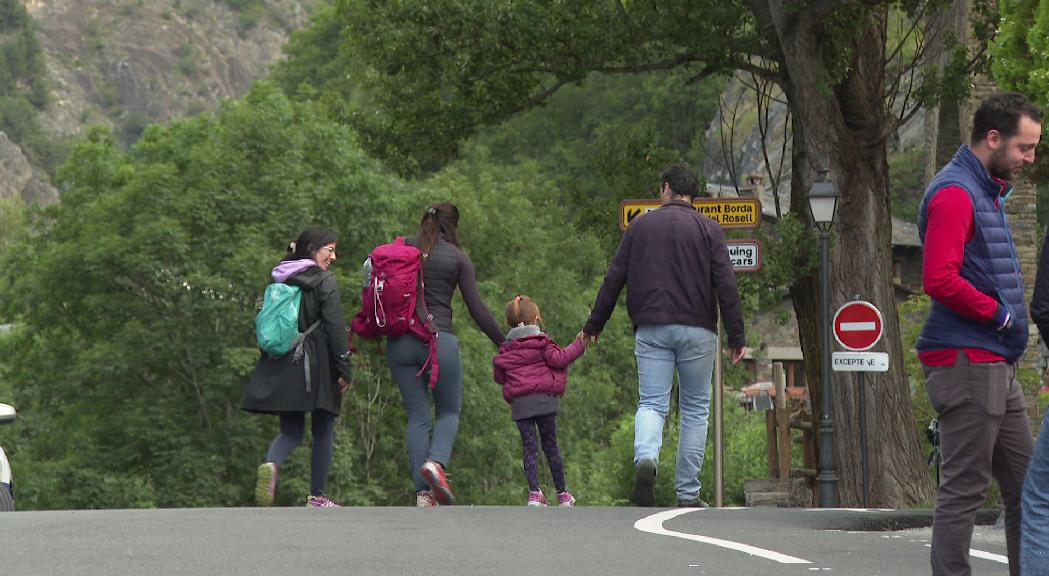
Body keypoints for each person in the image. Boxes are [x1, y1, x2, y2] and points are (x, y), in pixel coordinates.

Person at [916, 91, 1041, 576]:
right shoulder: (955, 194)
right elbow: (938, 278)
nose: (1029, 159)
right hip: (969, 361)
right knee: (965, 488)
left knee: (1028, 490)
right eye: (1023, 148)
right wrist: (1002, 317)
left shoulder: (982, 189)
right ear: (993, 138)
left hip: (994, 363)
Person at [579, 165, 746, 507]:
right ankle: (687, 493)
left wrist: (594, 324)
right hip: (698, 329)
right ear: (692, 196)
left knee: (652, 402)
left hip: (652, 326)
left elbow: (614, 279)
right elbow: (726, 285)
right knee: (696, 408)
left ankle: (646, 457)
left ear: (666, 188)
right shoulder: (709, 230)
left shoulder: (640, 226)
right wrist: (736, 336)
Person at [388, 202, 504, 507]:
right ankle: (436, 463)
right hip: (439, 341)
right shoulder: (457, 258)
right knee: (449, 411)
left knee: (417, 415)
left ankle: (423, 494)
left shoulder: (401, 248)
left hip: (400, 341)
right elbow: (477, 309)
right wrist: (504, 343)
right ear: (453, 226)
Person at [242, 225, 353, 508]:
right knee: (323, 429)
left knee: (291, 431)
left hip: (285, 362)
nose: (333, 256)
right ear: (313, 248)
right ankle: (317, 496)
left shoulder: (280, 276)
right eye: (330, 249)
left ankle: (271, 464)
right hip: (317, 365)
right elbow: (335, 328)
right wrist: (344, 368)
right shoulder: (324, 281)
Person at [493, 295, 587, 507]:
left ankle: (534, 493)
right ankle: (562, 493)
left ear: (509, 323)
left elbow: (499, 377)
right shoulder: (542, 343)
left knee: (529, 448)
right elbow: (561, 358)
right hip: (545, 401)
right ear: (536, 318)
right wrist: (581, 343)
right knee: (550, 445)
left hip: (521, 405)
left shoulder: (506, 349)